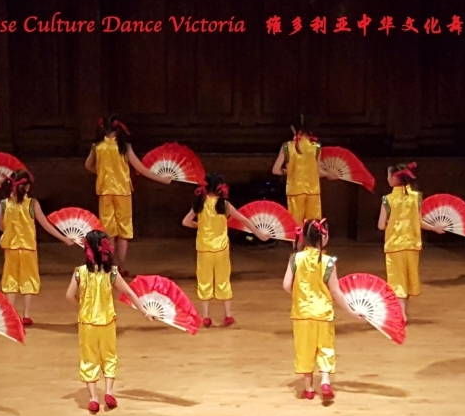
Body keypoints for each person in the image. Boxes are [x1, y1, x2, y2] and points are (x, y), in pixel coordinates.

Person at [65, 230, 156, 413]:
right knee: (109, 356)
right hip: (107, 322)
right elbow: (129, 293)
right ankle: (108, 392)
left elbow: (69, 295)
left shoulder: (80, 272)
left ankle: (93, 398)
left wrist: (82, 305)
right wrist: (145, 311)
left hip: (87, 323)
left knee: (89, 358)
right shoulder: (112, 273)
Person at [282, 219, 364, 401]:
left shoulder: (295, 258)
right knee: (325, 347)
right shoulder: (328, 262)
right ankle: (325, 380)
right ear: (323, 238)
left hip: (302, 314)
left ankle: (309, 388)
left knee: (305, 349)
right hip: (323, 313)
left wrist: (299, 295)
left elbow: (287, 285)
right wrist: (351, 311)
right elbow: (336, 291)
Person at [85, 115, 172, 275]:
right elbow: (141, 169)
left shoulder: (97, 146)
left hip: (105, 192)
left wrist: (102, 173)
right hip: (123, 192)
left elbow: (88, 165)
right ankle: (122, 266)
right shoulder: (124, 147)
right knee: (124, 230)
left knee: (108, 231)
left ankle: (110, 266)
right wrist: (163, 180)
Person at [182, 173, 270, 327]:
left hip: (204, 249)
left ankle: (206, 316)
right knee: (224, 279)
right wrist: (260, 235)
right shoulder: (224, 205)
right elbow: (243, 219)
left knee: (204, 281)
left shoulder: (200, 204)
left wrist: (200, 226)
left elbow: (186, 222)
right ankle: (228, 315)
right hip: (221, 249)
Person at [0, 169, 74, 326]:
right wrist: (64, 238)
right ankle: (26, 314)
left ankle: (11, 313)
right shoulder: (32, 204)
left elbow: (1, 226)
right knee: (28, 279)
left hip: (11, 248)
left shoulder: (4, 204)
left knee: (10, 280)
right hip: (28, 248)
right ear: (27, 187)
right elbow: (45, 225)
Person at [377, 162, 444, 321]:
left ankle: (401, 312)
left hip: (395, 245)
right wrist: (435, 228)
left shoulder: (388, 199)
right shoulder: (416, 197)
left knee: (397, 279)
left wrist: (390, 223)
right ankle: (403, 310)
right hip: (412, 244)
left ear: (394, 178)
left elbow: (381, 225)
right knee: (407, 278)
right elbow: (419, 221)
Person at [272, 114, 337, 226]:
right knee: (313, 226)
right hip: (313, 192)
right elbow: (318, 171)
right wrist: (328, 174)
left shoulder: (287, 147)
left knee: (296, 226)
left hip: (295, 191)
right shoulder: (316, 147)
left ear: (293, 128)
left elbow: (275, 170)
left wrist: (289, 171)